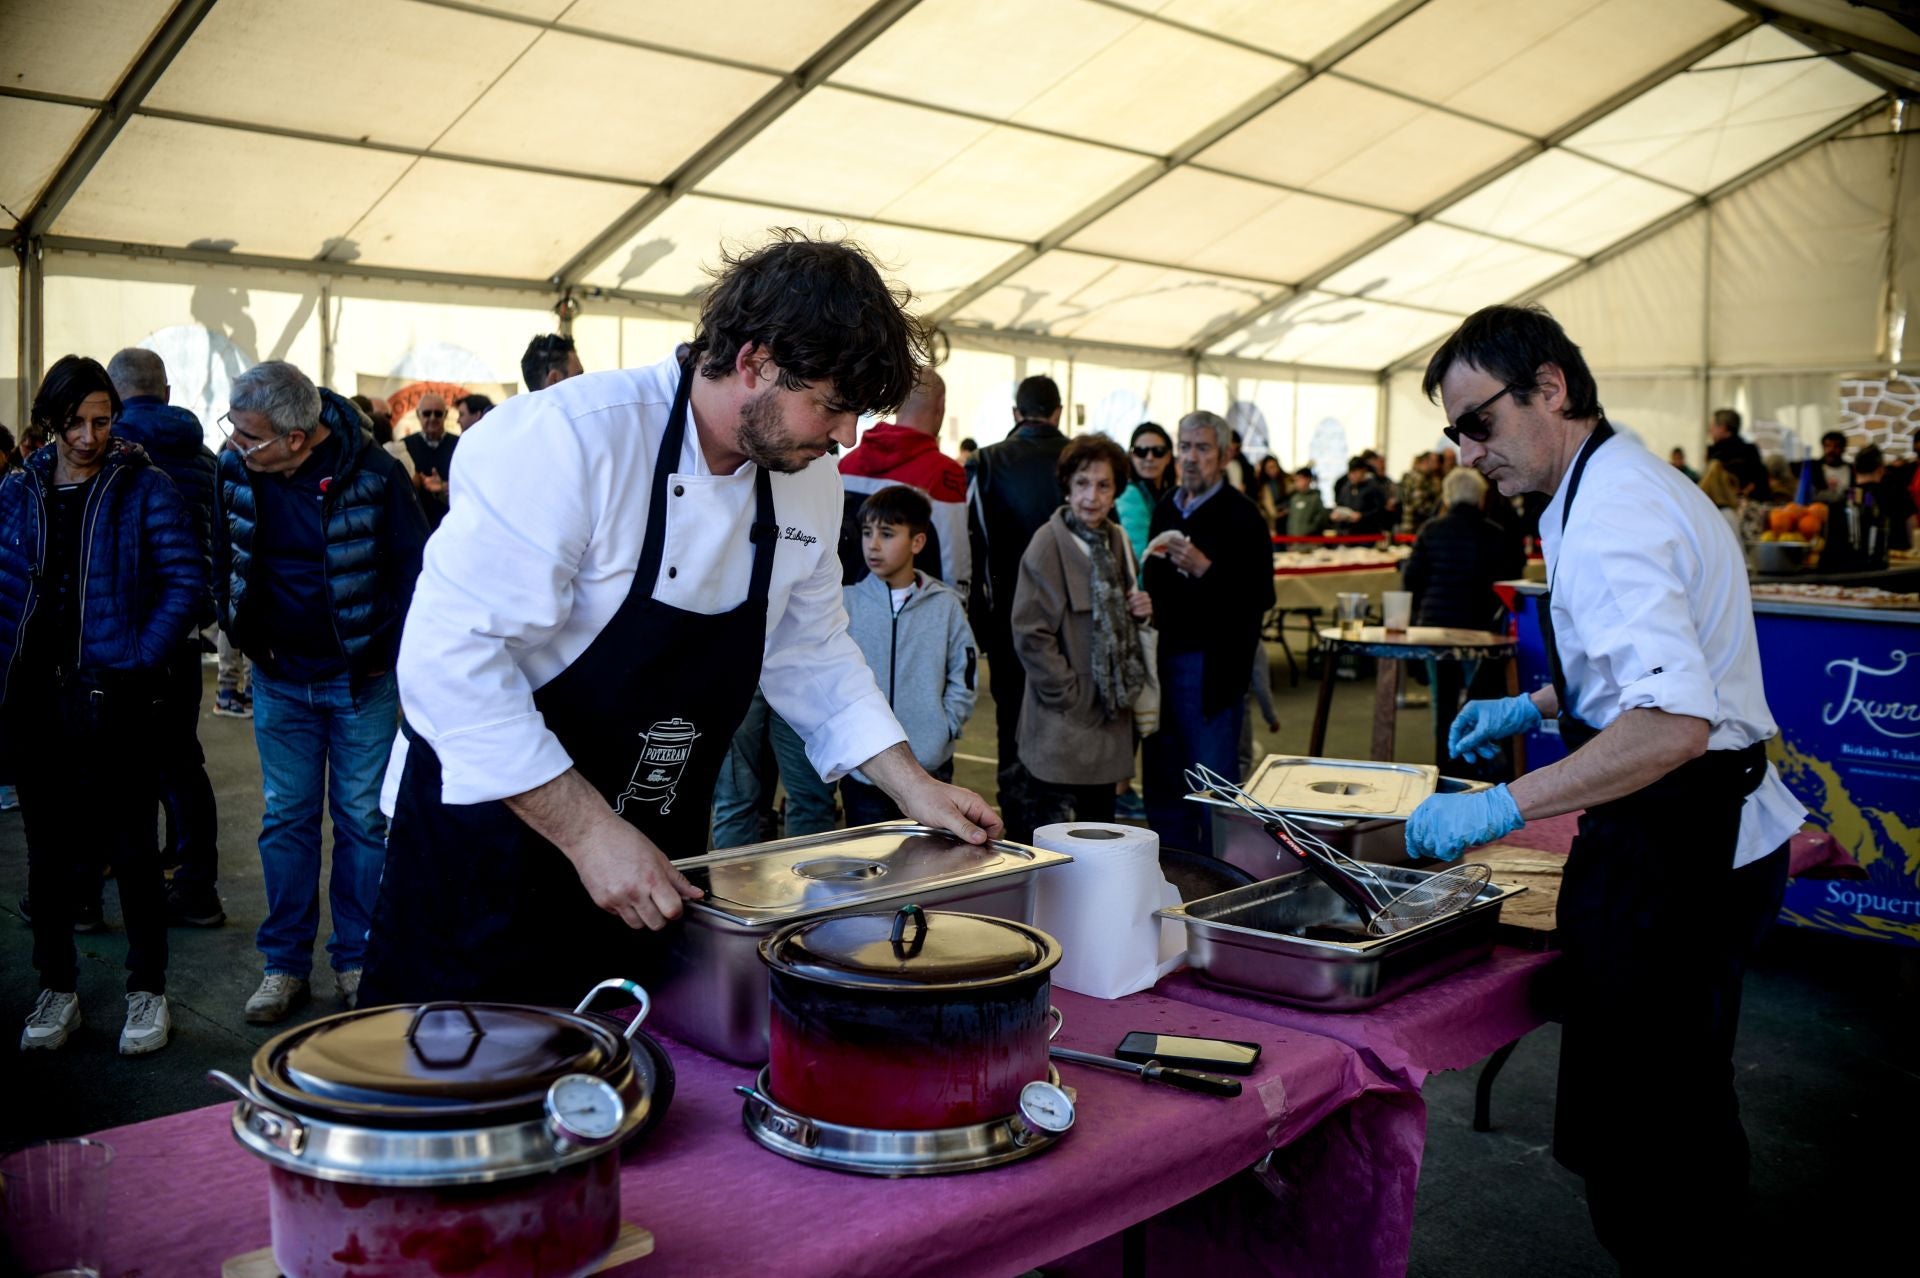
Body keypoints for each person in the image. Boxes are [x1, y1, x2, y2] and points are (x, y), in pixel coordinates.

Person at [360, 234, 1000, 1009]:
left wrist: (911, 784)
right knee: (461, 1062)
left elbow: (811, 650)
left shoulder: (806, 481)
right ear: (755, 362)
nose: (845, 438)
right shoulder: (569, 439)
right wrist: (590, 833)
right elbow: (450, 664)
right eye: (833, 406)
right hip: (490, 838)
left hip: (657, 847)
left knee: (631, 1053)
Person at [1404, 304, 1803, 1271]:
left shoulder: (1614, 512)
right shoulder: (1608, 486)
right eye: (1455, 433)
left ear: (1550, 388)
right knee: (1685, 1113)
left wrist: (1502, 804)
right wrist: (1538, 702)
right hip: (1697, 832)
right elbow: (1648, 671)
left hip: (1681, 849)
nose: (1469, 452)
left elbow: (1671, 723)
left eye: (1480, 424)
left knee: (1650, 1156)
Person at [214, 361, 428, 1023]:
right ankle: (283, 965)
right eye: (233, 428)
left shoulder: (376, 474)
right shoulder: (236, 470)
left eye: (248, 434)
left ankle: (357, 958)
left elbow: (415, 572)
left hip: (360, 684)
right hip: (279, 680)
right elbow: (221, 554)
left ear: (296, 438)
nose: (234, 443)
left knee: (363, 822)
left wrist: (387, 658)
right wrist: (240, 630)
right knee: (287, 819)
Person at [4, 355, 204, 1055]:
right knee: (47, 854)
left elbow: (185, 581)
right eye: (76, 422)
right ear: (50, 421)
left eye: (102, 420)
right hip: (35, 697)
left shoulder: (143, 486)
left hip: (115, 697)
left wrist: (139, 655)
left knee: (133, 850)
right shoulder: (19, 489)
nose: (90, 436)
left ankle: (147, 991)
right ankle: (56, 989)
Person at [107, 347, 226, 927]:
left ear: (113, 395)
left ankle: (125, 877)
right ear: (168, 392)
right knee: (181, 758)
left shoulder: (110, 451)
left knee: (118, 761)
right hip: (182, 632)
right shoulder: (204, 455)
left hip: (120, 630)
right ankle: (191, 876)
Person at [1140, 411, 1273, 851]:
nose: (1190, 458)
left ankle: (1219, 877)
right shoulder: (1166, 507)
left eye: (1202, 448)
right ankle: (1171, 870)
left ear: (1224, 455)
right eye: (1184, 447)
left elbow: (1260, 597)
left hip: (1212, 672)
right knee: (1163, 783)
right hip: (1161, 663)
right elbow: (1155, 581)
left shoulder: (1243, 515)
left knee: (1212, 790)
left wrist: (1206, 570)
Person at [1012, 435, 1151, 825]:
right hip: (1061, 725)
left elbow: (1126, 618)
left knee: (1100, 833)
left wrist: (1141, 613)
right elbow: (1030, 633)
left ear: (1115, 491)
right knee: (1055, 839)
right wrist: (1067, 694)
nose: (1092, 496)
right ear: (1068, 487)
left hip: (1109, 722)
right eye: (1083, 483)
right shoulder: (1047, 543)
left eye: (1103, 485)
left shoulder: (1117, 540)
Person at [968, 374, 1069, 841]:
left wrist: (980, 618)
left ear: (1016, 413)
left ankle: (1015, 826)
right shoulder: (1079, 458)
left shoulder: (987, 461)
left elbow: (973, 546)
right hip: (1070, 618)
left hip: (1008, 612)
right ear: (1058, 412)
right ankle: (1062, 827)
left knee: (1011, 722)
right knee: (1065, 716)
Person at [838, 485, 976, 825]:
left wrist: (945, 727)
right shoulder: (846, 602)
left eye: (886, 534)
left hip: (931, 767)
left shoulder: (945, 605)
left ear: (917, 542)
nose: (872, 544)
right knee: (868, 855)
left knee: (930, 853)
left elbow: (965, 672)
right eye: (867, 532)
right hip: (866, 768)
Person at [1399, 466, 1524, 775]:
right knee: (1480, 697)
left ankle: (1445, 763)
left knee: (1442, 700)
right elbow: (1510, 578)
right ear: (1480, 498)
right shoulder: (1495, 533)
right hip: (1479, 628)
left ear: (1447, 497)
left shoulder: (1431, 530)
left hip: (1435, 627)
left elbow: (1412, 578)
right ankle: (1478, 763)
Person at [836, 367, 969, 596]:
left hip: (847, 601)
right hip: (913, 606)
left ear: (896, 404)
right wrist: (957, 604)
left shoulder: (847, 464)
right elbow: (953, 558)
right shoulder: (945, 474)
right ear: (940, 407)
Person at [1115, 422, 1174, 560]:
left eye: (1158, 451)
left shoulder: (1171, 494)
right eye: (1141, 451)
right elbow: (1139, 555)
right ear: (1131, 456)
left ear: (1168, 456)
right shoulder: (1130, 495)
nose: (1149, 458)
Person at [404, 392, 458, 532]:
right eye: (427, 413)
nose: (432, 418)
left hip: (451, 525)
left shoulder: (459, 444)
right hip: (416, 526)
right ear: (418, 415)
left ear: (445, 415)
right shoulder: (404, 447)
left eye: (438, 414)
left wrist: (444, 487)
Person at [1854, 444, 1915, 551]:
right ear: (1881, 469)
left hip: (1858, 557)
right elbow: (1911, 520)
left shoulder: (1849, 497)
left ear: (1854, 469)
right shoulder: (1896, 490)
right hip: (1896, 554)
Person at [1705, 408, 1766, 499]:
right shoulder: (1750, 450)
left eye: (1713, 425)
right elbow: (1760, 480)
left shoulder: (1716, 454)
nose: (1709, 429)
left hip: (1724, 502)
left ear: (1723, 428)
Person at [1329, 455, 1391, 533]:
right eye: (1351, 473)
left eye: (1355, 472)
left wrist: (1362, 516)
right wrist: (1336, 515)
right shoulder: (1345, 488)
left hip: (1367, 533)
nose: (1352, 476)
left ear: (1363, 471)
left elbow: (1380, 511)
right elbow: (1340, 505)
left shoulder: (1374, 488)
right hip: (1347, 533)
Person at [1397, 451, 1443, 532]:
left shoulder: (1427, 478)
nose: (1437, 465)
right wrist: (1437, 511)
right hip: (1413, 526)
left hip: (1419, 525)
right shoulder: (1418, 478)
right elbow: (1419, 505)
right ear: (1425, 461)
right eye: (1434, 461)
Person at [1799, 430, 1852, 498]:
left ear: (1843, 449)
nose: (1831, 450)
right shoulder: (1813, 467)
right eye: (1827, 446)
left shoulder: (1851, 469)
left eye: (1836, 446)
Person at [1283, 466, 1329, 544]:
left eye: (1299, 479)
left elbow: (1321, 519)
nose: (1297, 483)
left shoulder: (1315, 498)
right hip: (1295, 542)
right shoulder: (1294, 498)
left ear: (1308, 479)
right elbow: (1291, 520)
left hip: (1311, 542)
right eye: (1295, 480)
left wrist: (1309, 530)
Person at [1253, 455, 1288, 530]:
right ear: (1264, 469)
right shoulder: (1261, 486)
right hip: (1271, 522)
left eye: (1274, 467)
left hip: (1287, 519)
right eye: (1269, 468)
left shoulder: (1286, 481)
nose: (1272, 470)